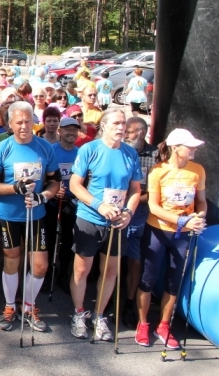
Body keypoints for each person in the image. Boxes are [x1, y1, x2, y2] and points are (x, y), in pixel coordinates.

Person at [0, 101, 60, 332]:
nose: (24, 126)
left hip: (36, 213)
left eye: (28, 120)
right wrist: (13, 189)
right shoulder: (2, 148)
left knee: (40, 265)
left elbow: (55, 181)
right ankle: (9, 307)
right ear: (10, 123)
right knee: (12, 260)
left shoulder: (45, 147)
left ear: (34, 120)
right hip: (8, 214)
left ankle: (29, 306)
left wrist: (43, 196)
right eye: (19, 122)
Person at [69, 109, 142, 341]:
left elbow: (136, 190)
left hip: (118, 221)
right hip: (91, 218)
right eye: (117, 123)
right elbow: (75, 185)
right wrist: (99, 205)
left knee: (110, 272)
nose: (121, 128)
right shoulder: (89, 149)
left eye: (124, 124)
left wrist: (129, 212)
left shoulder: (130, 153)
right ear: (105, 126)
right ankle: (79, 313)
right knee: (82, 270)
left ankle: (99, 316)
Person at [135, 129, 206, 348]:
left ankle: (164, 325)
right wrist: (182, 220)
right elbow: (154, 207)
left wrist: (199, 216)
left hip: (183, 236)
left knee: (174, 282)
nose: (194, 149)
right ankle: (143, 324)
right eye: (190, 146)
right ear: (176, 148)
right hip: (157, 231)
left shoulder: (197, 171)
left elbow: (201, 201)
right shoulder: (158, 171)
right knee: (147, 279)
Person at [121, 117, 158, 328]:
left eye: (130, 131)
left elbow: (153, 193)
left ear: (142, 132)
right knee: (113, 259)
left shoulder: (154, 157)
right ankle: (109, 300)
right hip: (116, 209)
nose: (126, 135)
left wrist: (133, 201)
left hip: (140, 213)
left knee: (135, 260)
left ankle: (129, 304)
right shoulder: (121, 151)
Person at [44, 117, 80, 294]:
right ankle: (47, 272)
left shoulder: (81, 153)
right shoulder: (51, 151)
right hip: (52, 202)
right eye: (67, 129)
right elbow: (43, 177)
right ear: (59, 131)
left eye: (74, 129)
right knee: (50, 240)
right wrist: (53, 188)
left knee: (69, 241)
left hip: (73, 204)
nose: (71, 133)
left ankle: (63, 274)